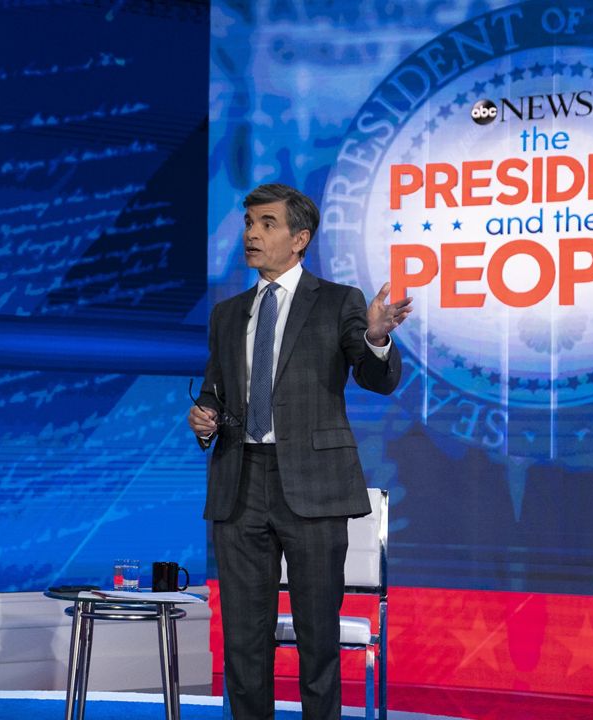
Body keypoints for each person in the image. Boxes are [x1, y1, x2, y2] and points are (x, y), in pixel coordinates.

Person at [188, 184, 410, 720]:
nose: (251, 234)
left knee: (317, 638)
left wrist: (378, 338)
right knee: (243, 639)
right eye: (248, 223)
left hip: (314, 488)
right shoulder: (227, 313)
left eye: (266, 224)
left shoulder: (338, 302)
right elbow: (216, 391)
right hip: (239, 486)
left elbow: (377, 377)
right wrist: (204, 418)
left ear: (299, 238)